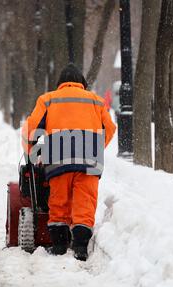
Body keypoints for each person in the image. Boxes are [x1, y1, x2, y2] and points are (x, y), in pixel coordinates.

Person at [21, 64, 117, 261]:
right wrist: (96, 147)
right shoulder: (97, 101)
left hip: (58, 159)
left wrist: (31, 153)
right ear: (82, 84)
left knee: (59, 201)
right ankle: (80, 247)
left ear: (60, 84)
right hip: (89, 161)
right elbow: (110, 128)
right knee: (85, 202)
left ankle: (59, 245)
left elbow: (30, 129)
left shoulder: (47, 100)